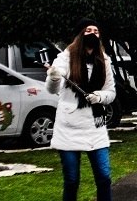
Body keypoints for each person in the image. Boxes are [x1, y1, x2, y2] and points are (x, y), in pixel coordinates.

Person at [46, 18, 116, 201]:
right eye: (88, 30)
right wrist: (53, 77)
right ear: (80, 34)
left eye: (96, 31)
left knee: (104, 177)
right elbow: (53, 89)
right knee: (71, 180)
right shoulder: (65, 57)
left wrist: (99, 97)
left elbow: (111, 92)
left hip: (95, 126)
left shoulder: (105, 60)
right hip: (69, 128)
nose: (93, 33)